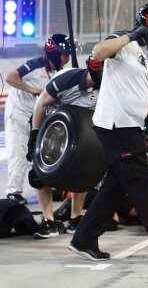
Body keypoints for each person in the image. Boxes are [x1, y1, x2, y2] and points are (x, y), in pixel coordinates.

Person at [69, 1, 148, 263]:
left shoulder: (147, 53)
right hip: (117, 126)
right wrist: (132, 34)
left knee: (116, 187)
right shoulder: (124, 42)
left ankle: (83, 239)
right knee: (143, 184)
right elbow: (98, 52)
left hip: (130, 125)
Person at [28, 54, 103, 238]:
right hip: (53, 123)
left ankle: (75, 217)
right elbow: (41, 104)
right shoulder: (66, 79)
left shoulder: (106, 88)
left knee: (85, 169)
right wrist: (35, 134)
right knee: (39, 174)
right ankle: (49, 221)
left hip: (84, 126)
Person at [4, 34, 72, 204]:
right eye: (65, 54)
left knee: (45, 151)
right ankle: (14, 192)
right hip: (18, 113)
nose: (68, 58)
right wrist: (31, 89)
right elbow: (10, 77)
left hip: (37, 116)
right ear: (55, 53)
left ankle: (48, 185)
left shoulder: (59, 72)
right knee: (18, 152)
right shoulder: (35, 64)